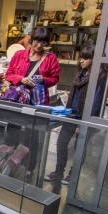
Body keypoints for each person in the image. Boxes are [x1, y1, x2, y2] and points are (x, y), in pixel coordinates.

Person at [4, 27, 60, 176]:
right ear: (31, 40)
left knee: (32, 135)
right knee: (12, 131)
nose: (39, 45)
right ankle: (7, 161)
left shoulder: (50, 58)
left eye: (43, 42)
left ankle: (29, 166)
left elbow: (55, 79)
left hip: (37, 101)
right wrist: (21, 79)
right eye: (37, 41)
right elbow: (8, 74)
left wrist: (44, 79)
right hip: (18, 100)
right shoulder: (19, 55)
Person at [44, 46, 95, 185]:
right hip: (71, 114)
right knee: (61, 143)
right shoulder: (80, 74)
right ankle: (59, 172)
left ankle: (73, 174)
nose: (81, 61)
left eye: (86, 58)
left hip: (84, 117)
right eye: (81, 57)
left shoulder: (97, 78)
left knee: (80, 147)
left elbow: (95, 103)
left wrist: (82, 123)